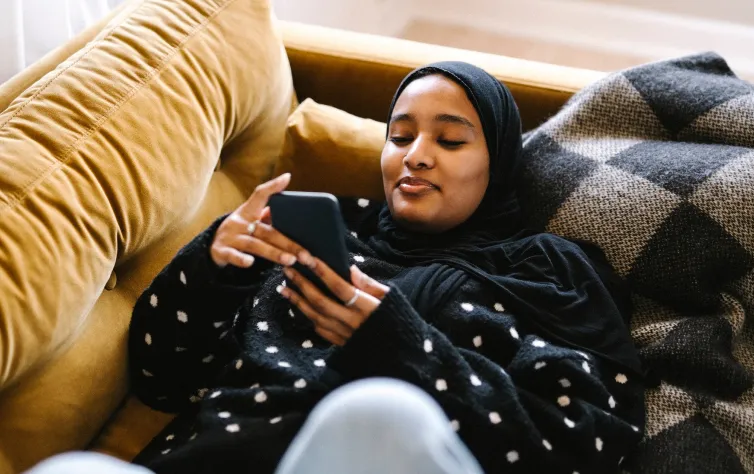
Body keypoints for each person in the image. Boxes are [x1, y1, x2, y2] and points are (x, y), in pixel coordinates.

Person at [27, 62, 644, 474]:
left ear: (500, 161)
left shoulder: (544, 270)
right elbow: (163, 381)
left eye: (450, 141)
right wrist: (215, 263)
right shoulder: (327, 232)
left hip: (382, 450)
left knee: (379, 414)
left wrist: (401, 345)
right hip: (221, 457)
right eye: (399, 137)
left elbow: (590, 438)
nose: (416, 156)